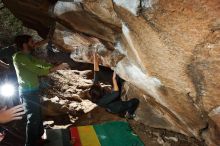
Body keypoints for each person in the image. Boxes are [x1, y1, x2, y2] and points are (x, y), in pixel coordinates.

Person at [13, 34, 69, 146]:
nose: (34, 43)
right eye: (31, 42)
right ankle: (30, 144)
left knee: (38, 115)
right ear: (24, 44)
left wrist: (51, 65)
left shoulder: (27, 56)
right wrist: (57, 68)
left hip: (33, 90)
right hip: (27, 93)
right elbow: (37, 70)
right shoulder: (19, 57)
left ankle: (38, 138)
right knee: (32, 118)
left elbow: (39, 63)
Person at [89, 52, 139, 119]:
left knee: (119, 83)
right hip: (115, 108)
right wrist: (114, 79)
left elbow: (96, 70)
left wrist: (95, 56)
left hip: (112, 100)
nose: (98, 84)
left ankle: (122, 112)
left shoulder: (95, 91)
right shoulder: (102, 101)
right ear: (100, 92)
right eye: (99, 85)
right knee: (135, 101)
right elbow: (116, 93)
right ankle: (130, 114)